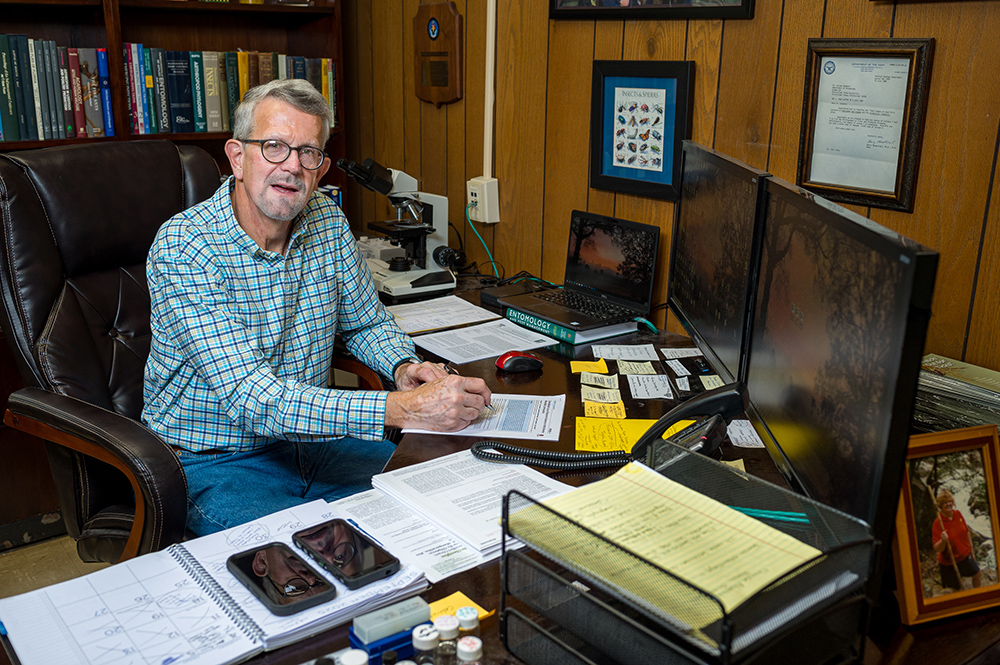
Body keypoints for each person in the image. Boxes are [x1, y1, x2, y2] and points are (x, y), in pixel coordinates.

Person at [142, 78, 491, 536]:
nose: (292, 167)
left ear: (321, 165)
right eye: (274, 147)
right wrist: (404, 408)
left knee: (448, 499)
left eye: (308, 153)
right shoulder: (185, 247)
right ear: (237, 157)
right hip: (217, 462)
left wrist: (405, 367)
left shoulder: (326, 218)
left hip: (314, 443)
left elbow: (366, 324)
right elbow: (255, 399)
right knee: (320, 569)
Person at [932, 488, 982, 591]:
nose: (948, 504)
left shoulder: (958, 514)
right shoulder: (938, 523)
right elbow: (937, 548)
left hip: (964, 557)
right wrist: (943, 540)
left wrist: (971, 550)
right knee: (954, 589)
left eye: (950, 501)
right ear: (941, 506)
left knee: (977, 574)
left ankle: (977, 596)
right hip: (949, 563)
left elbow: (966, 531)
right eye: (945, 502)